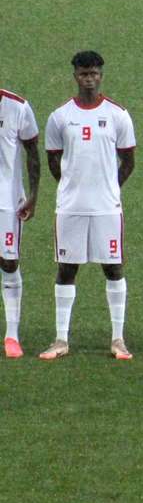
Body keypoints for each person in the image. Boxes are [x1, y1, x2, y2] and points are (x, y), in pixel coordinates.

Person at [39, 51, 136, 361]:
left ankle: (118, 339)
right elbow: (53, 160)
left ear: (101, 75)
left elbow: (128, 160)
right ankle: (60, 339)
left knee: (113, 268)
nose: (89, 79)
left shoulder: (118, 115)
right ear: (75, 76)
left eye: (94, 73)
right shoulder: (60, 116)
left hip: (107, 207)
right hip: (70, 207)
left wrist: (109, 186)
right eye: (84, 74)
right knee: (66, 269)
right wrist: (72, 185)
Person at [0, 83, 40, 359]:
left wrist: (34, 195)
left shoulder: (17, 106)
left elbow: (33, 152)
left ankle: (12, 335)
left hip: (7, 200)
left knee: (9, 262)